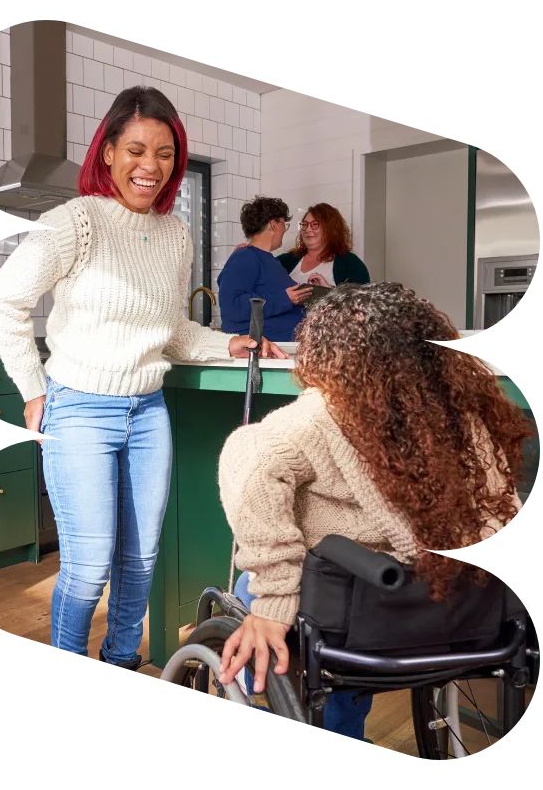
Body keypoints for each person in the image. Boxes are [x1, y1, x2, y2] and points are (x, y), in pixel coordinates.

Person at [0, 86, 287, 673]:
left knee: (141, 560)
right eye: (137, 150)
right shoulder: (76, 221)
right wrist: (32, 390)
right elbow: (5, 302)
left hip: (146, 411)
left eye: (166, 153)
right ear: (107, 153)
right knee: (90, 563)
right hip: (79, 409)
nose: (151, 166)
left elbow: (169, 328)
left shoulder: (174, 235)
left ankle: (121, 660)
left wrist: (227, 341)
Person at [216, 282, 532, 739]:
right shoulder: (461, 414)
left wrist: (274, 601)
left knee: (261, 589)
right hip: (454, 614)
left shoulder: (315, 418)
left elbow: (249, 460)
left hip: (356, 621)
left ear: (326, 352)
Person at [218, 196, 314, 342]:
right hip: (263, 350)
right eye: (284, 224)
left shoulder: (271, 262)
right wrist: (284, 299)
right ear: (273, 225)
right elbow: (232, 306)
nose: (284, 230)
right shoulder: (244, 256)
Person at [278, 203, 370, 288]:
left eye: (314, 224)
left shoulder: (351, 264)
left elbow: (361, 302)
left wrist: (328, 291)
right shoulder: (284, 261)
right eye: (305, 224)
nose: (307, 229)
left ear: (330, 229)